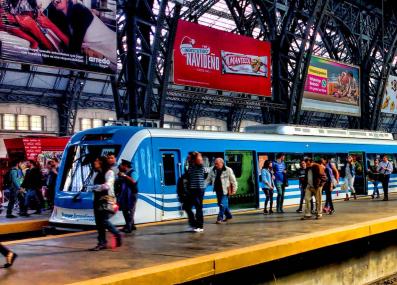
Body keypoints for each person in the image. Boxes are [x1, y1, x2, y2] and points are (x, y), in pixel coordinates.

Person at [51, 0, 116, 66]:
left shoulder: (78, 10)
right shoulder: (67, 18)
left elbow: (74, 47)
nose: (54, 1)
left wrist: (50, 26)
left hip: (113, 48)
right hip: (108, 56)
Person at [89, 156, 121, 251]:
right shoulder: (96, 173)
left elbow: (107, 186)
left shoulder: (109, 172)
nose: (95, 162)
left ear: (102, 162)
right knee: (98, 222)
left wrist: (96, 187)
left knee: (103, 220)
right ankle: (102, 243)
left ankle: (116, 234)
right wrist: (97, 187)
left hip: (106, 199)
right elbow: (90, 186)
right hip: (97, 199)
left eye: (97, 160)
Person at [205, 158, 237, 223]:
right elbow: (208, 180)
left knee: (222, 204)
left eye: (217, 163)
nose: (215, 165)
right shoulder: (213, 170)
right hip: (217, 190)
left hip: (225, 190)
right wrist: (202, 187)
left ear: (222, 163)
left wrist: (234, 189)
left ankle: (220, 218)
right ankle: (229, 216)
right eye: (215, 163)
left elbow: (233, 181)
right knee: (221, 204)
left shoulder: (228, 170)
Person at [117, 159, 139, 233]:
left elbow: (133, 181)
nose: (120, 166)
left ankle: (128, 227)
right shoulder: (123, 173)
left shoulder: (133, 172)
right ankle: (131, 225)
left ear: (125, 166)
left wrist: (124, 176)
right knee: (125, 210)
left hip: (132, 194)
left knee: (131, 210)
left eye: (121, 165)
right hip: (125, 194)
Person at [186, 152, 205, 232]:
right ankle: (195, 224)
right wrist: (189, 159)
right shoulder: (190, 166)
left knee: (198, 207)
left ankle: (200, 226)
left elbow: (199, 160)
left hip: (199, 189)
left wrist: (196, 154)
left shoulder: (199, 166)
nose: (187, 158)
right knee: (189, 207)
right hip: (192, 189)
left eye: (189, 157)